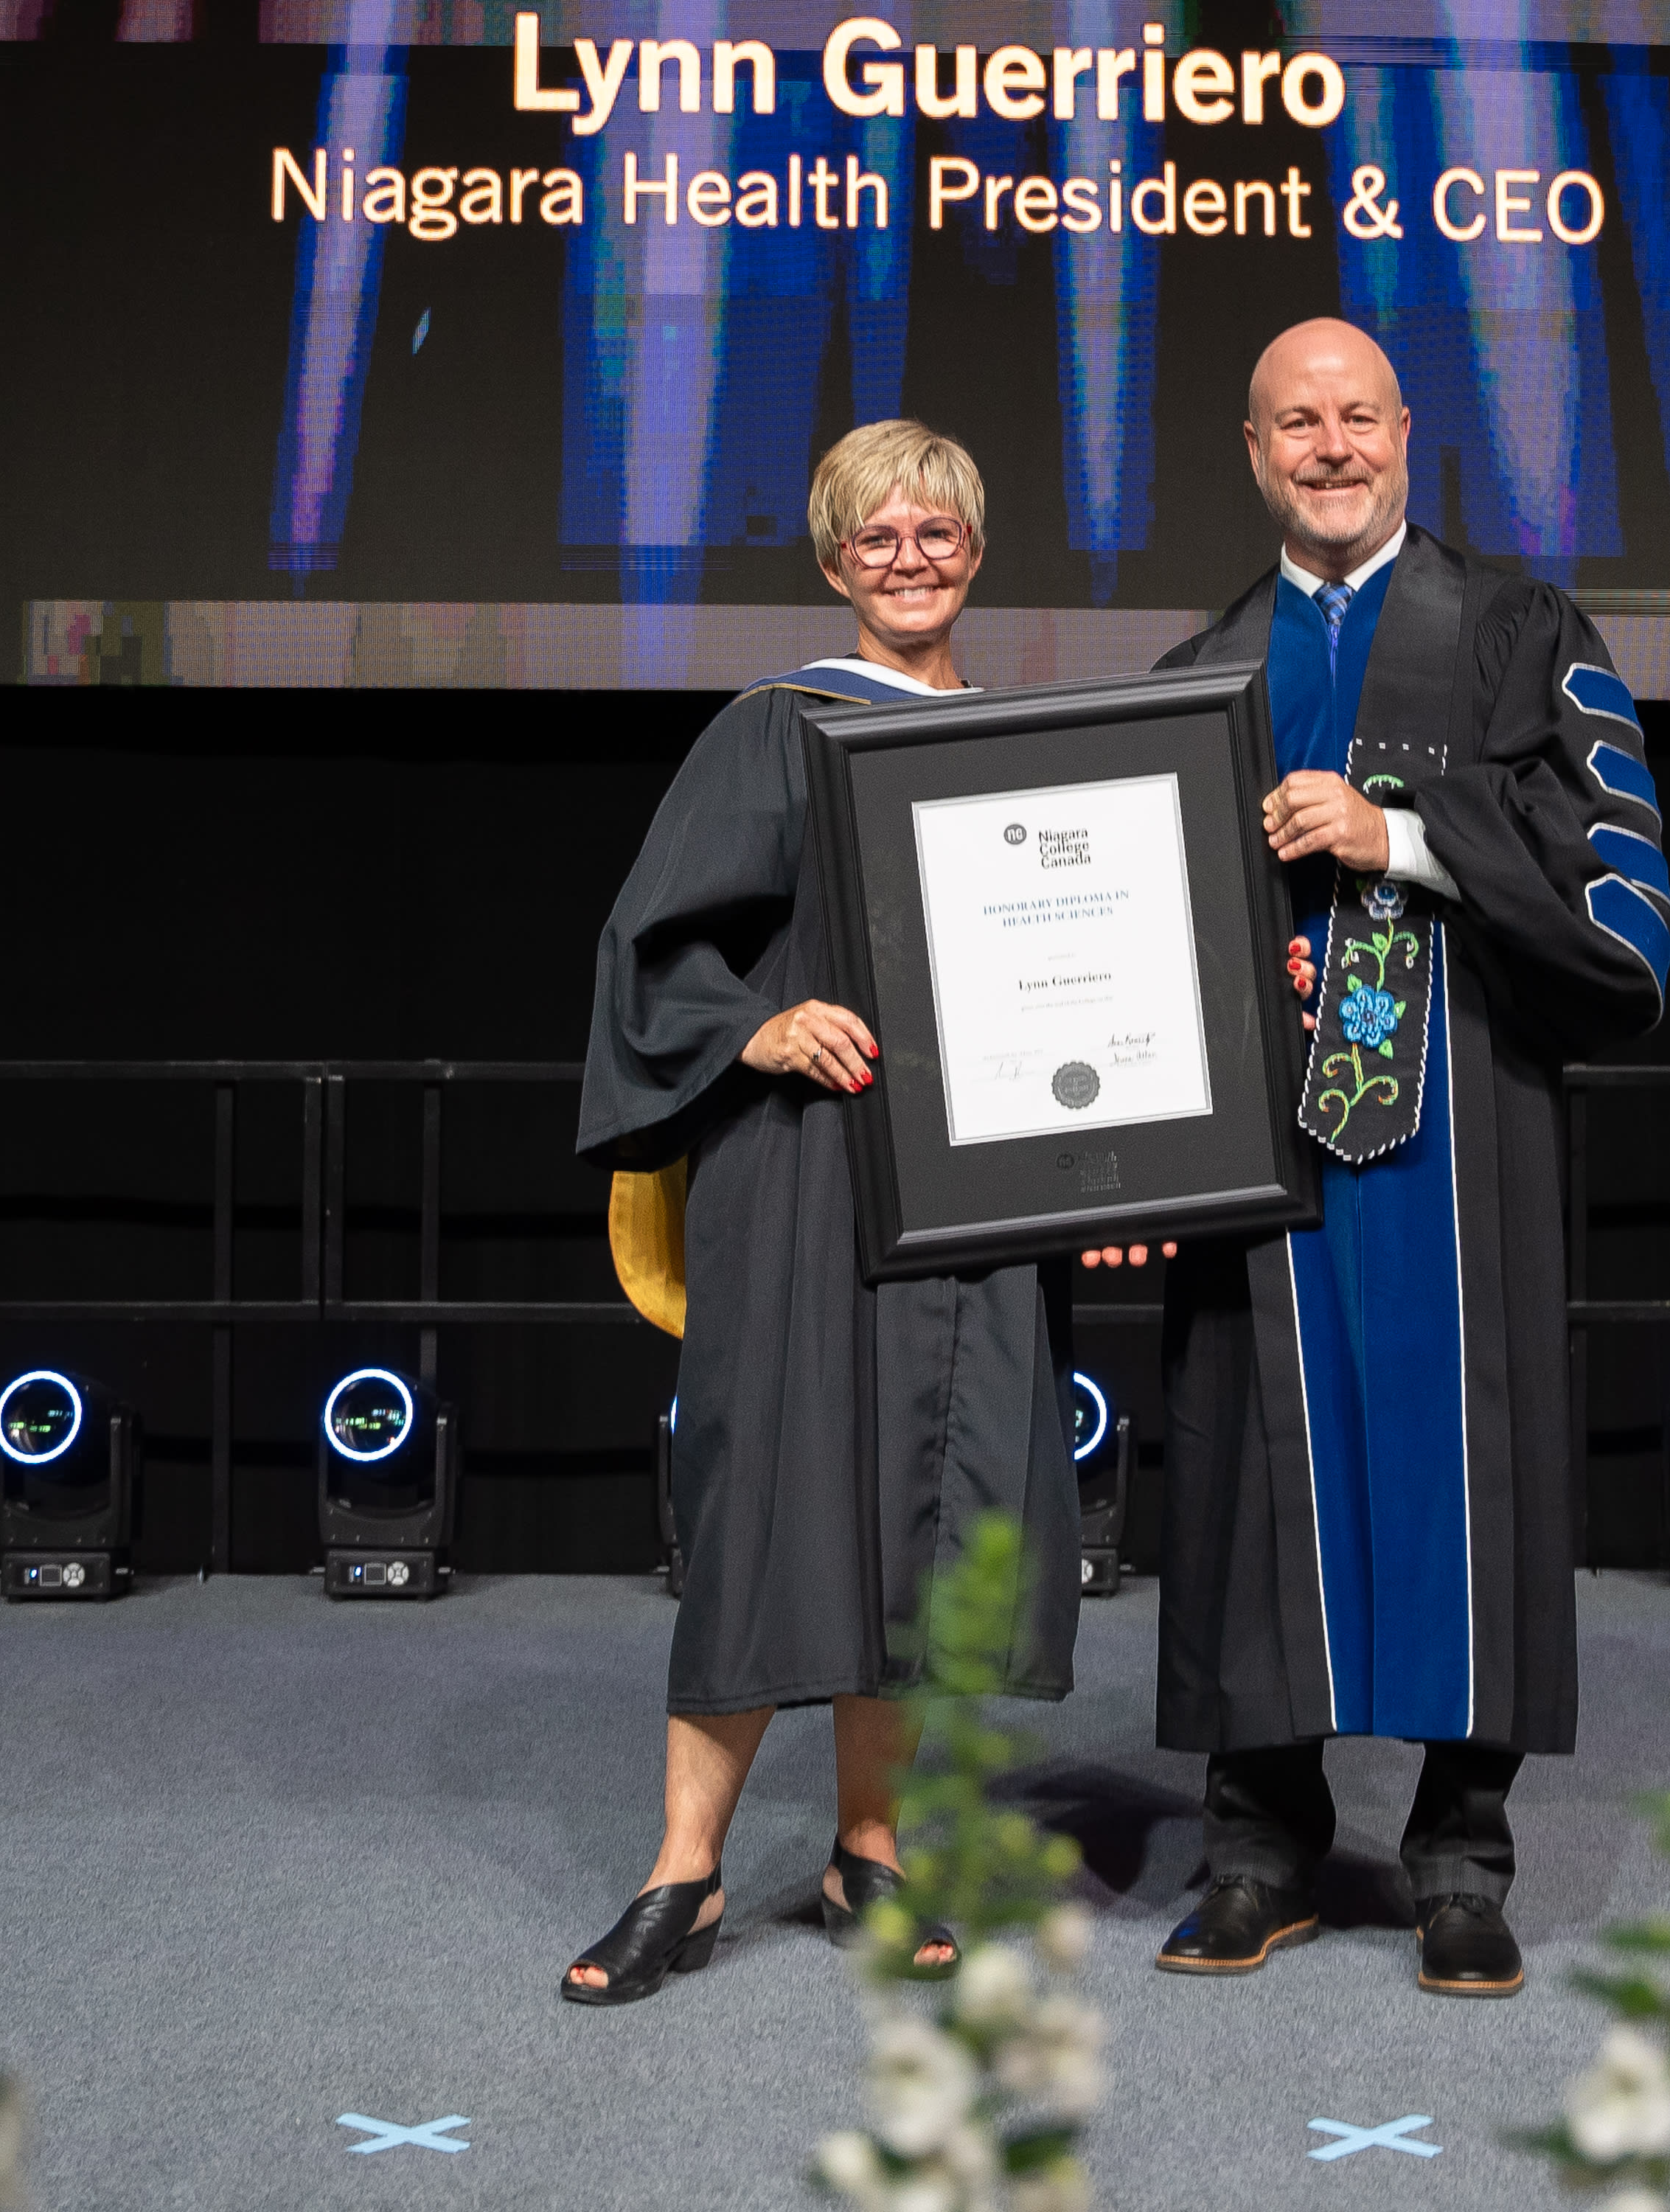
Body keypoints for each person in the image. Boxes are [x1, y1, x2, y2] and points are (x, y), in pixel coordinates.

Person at [1146, 319, 1670, 1997]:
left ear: (1402, 432)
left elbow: (1621, 911)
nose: (1327, 443)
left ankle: (1459, 1853)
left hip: (1459, 1135)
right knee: (1249, 1466)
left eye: (1354, 415)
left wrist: (1408, 840)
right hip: (1260, 1158)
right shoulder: (1191, 677)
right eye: (1293, 419)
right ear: (1250, 449)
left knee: (1464, 1460)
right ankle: (1256, 1839)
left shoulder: (1520, 633)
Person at [560, 420, 1080, 2006]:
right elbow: (653, 947)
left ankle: (872, 1849)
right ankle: (683, 1876)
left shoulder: (1017, 747)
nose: (907, 560)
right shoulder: (775, 727)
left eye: (934, 533)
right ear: (832, 560)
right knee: (767, 1500)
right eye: (876, 539)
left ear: (973, 551)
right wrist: (757, 1028)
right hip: (801, 1171)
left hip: (966, 1184)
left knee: (915, 1516)